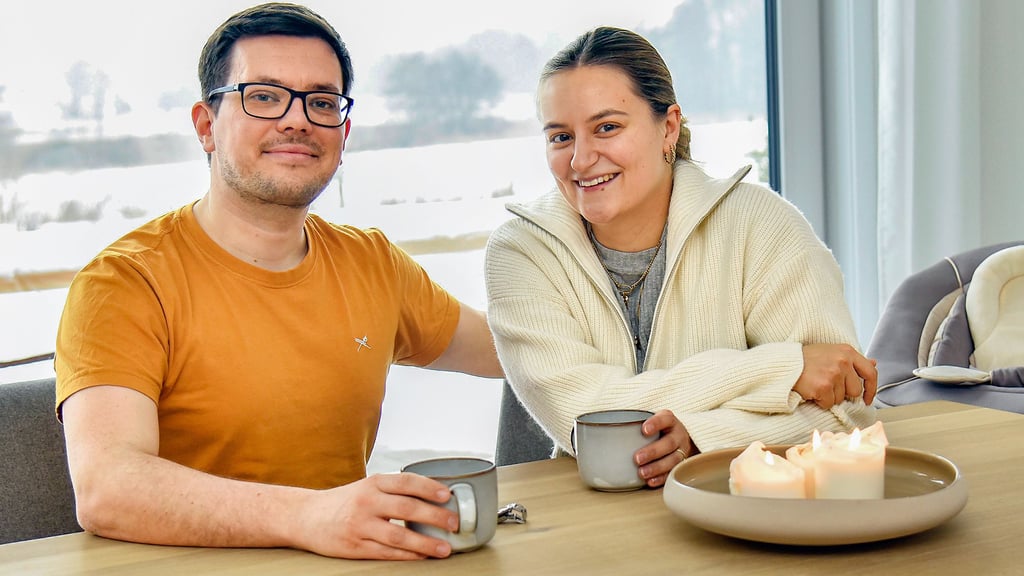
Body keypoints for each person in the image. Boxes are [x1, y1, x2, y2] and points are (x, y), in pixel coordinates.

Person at [55, 2, 502, 561]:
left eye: (320, 102)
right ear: (205, 125)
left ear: (343, 131)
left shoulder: (372, 262)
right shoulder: (124, 282)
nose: (297, 120)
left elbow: (512, 350)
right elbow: (107, 489)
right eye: (263, 96)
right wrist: (309, 515)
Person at [484, 26, 878, 489]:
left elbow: (843, 410)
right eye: (560, 137)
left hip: (731, 514)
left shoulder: (762, 225)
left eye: (606, 127)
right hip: (581, 521)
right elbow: (589, 415)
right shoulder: (520, 251)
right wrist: (781, 368)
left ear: (668, 127)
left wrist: (700, 438)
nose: (581, 159)